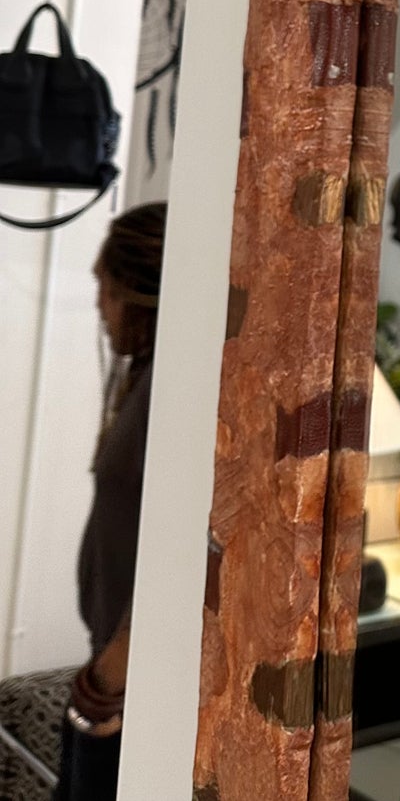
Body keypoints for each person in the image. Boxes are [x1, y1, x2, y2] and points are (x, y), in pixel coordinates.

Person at [52, 202, 166, 799]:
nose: (99, 305)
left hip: (131, 685)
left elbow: (176, 545)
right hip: (117, 673)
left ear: (138, 295)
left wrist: (109, 678)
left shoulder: (168, 392)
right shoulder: (143, 378)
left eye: (106, 287)